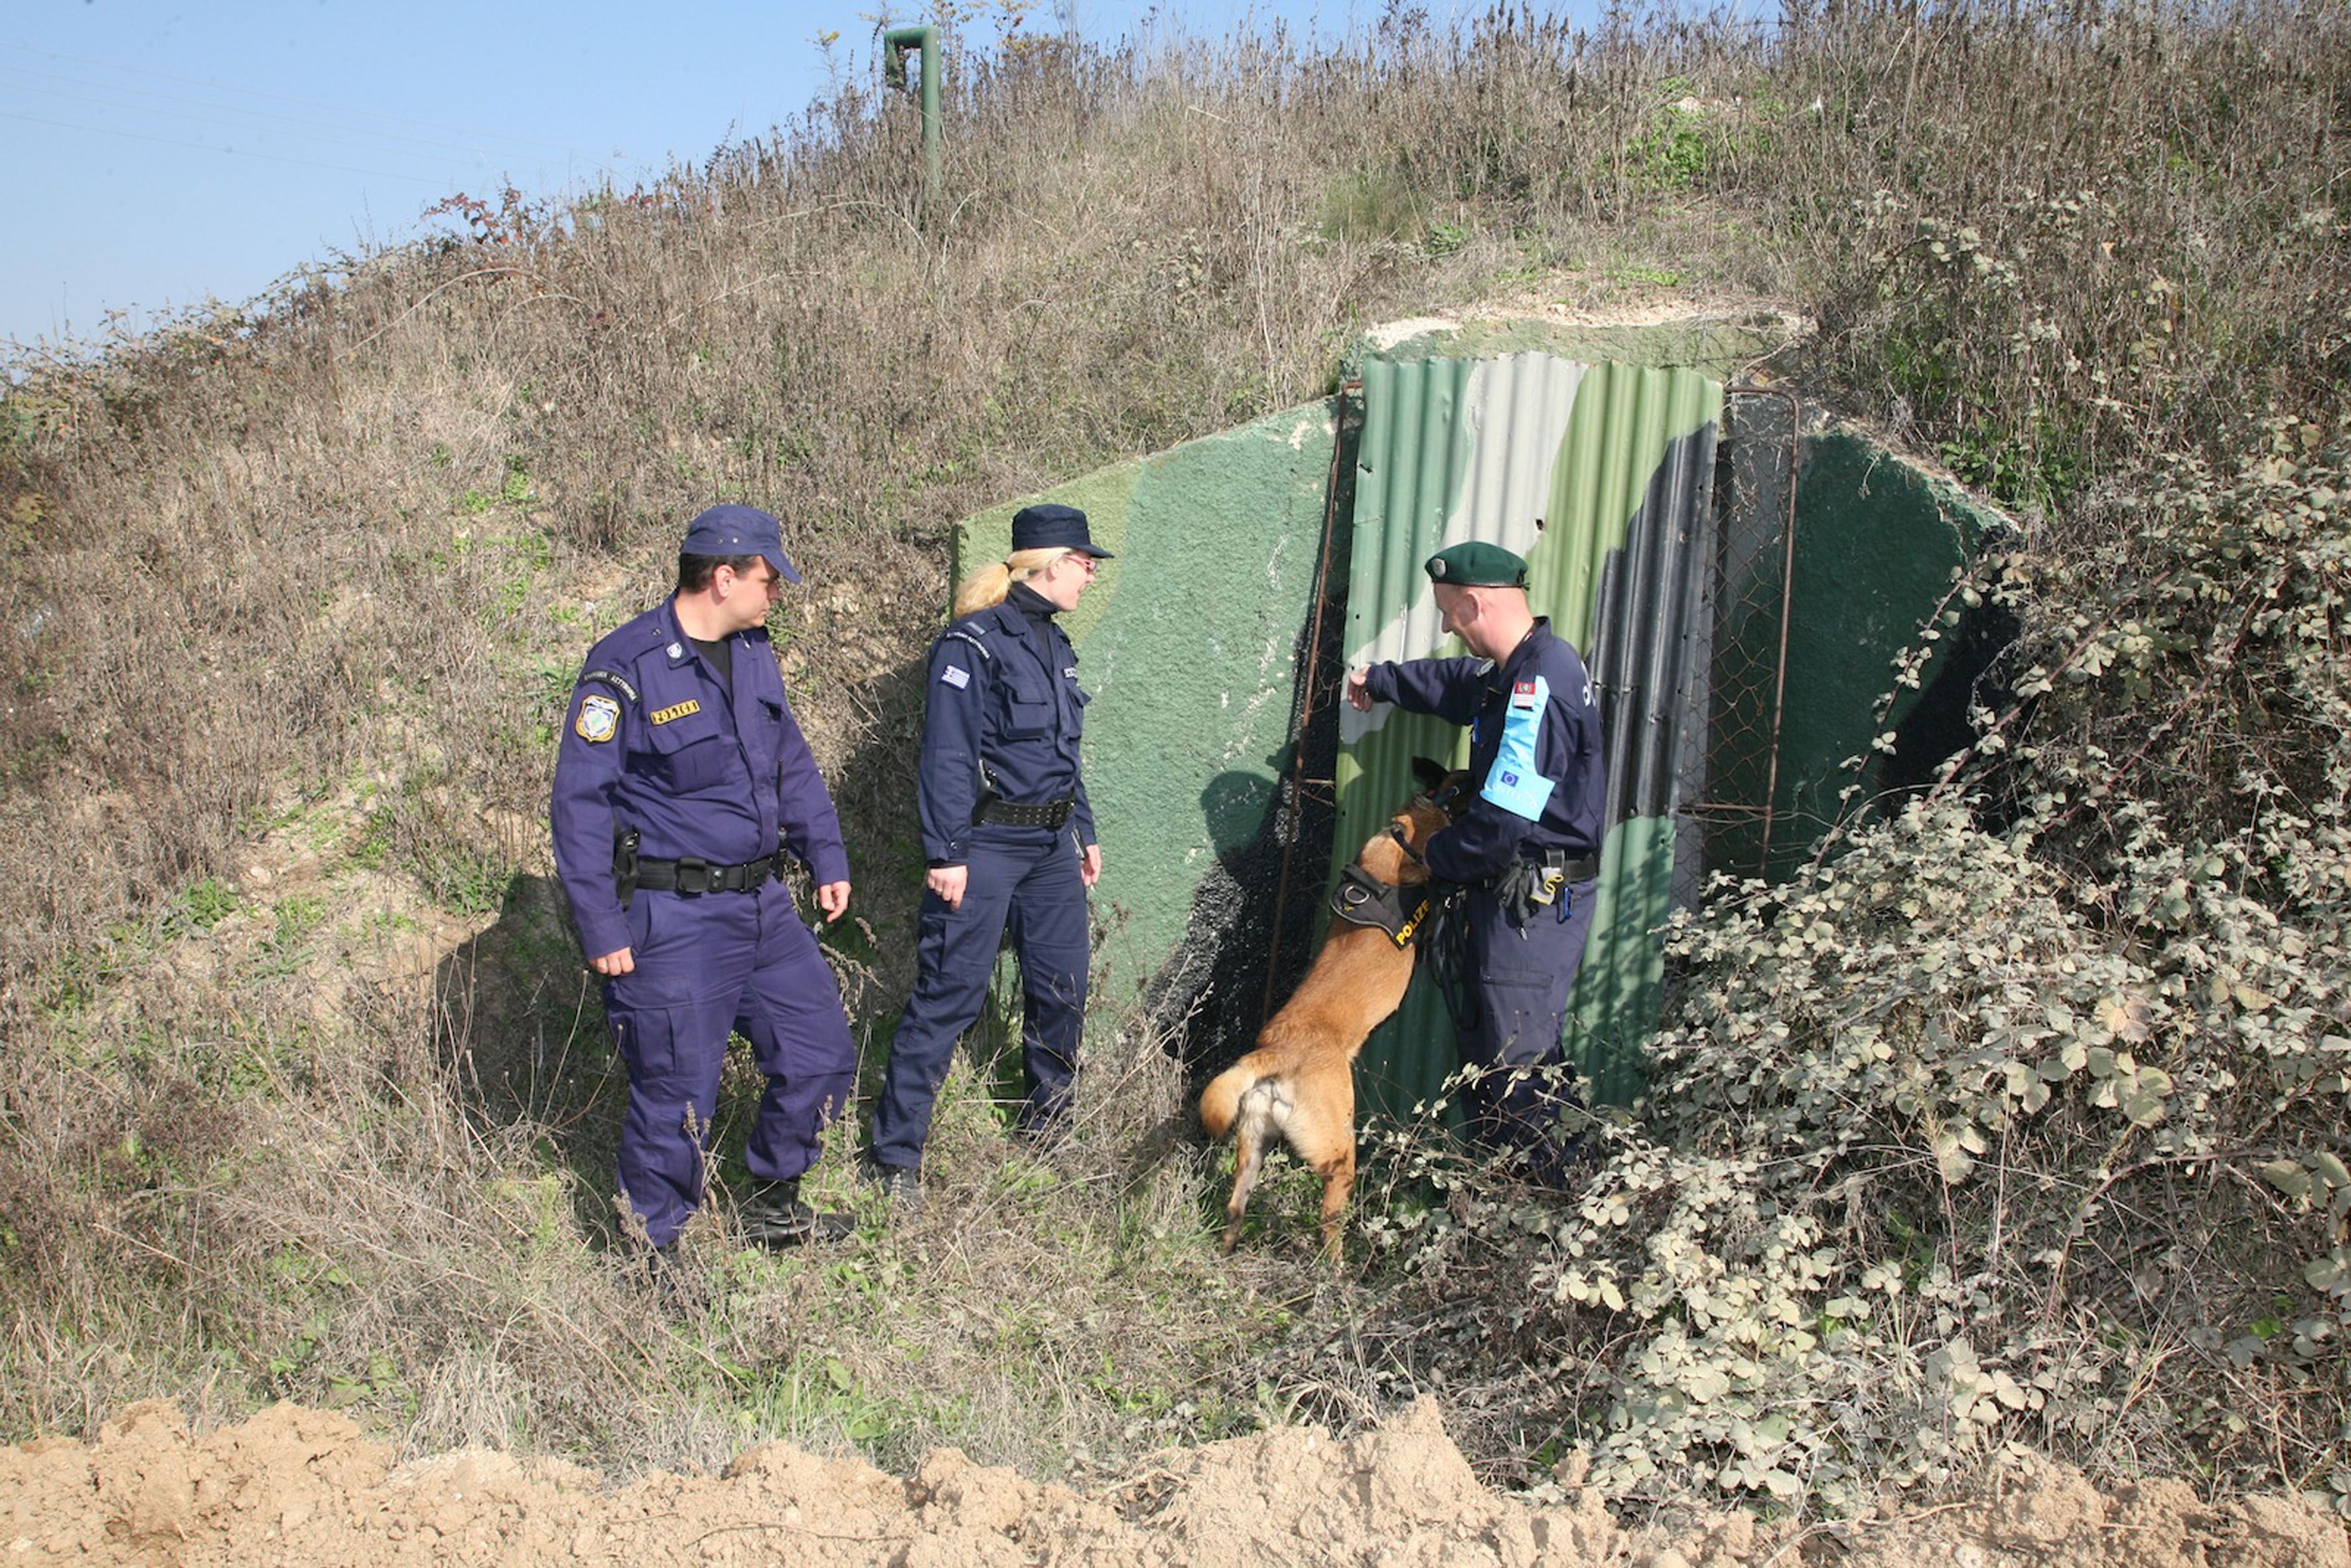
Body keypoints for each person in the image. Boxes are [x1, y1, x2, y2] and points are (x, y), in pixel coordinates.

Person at [551, 503, 858, 1258]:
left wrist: (827, 853)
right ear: (723, 577)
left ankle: (774, 1205)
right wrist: (601, 925)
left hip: (762, 906)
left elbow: (791, 760)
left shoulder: (753, 650)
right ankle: (652, 1253)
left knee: (821, 1050)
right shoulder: (624, 667)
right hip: (673, 915)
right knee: (676, 1094)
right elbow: (578, 804)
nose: (775, 593)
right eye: (767, 578)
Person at [866, 503, 1110, 1208]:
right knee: (950, 995)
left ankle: (1048, 1129)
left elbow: (1061, 752)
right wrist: (946, 852)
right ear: (1049, 561)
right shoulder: (971, 643)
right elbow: (945, 755)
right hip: (985, 845)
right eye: (1083, 560)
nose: (1091, 573)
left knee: (1063, 988)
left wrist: (1083, 829)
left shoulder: (1055, 645)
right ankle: (894, 1159)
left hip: (1050, 846)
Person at [1344, 541, 1606, 1181]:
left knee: (1516, 1074)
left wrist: (1433, 853)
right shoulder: (1518, 671)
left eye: (1446, 613)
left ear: (1473, 602)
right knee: (1491, 1066)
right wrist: (1381, 681)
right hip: (1511, 898)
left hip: (1531, 903)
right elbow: (1460, 686)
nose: (1444, 627)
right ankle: (1510, 1214)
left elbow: (1502, 823)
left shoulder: (1538, 683)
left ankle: (1551, 1232)